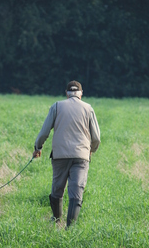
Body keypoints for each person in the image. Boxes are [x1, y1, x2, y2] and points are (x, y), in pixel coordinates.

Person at [33, 80, 100, 228]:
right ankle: (70, 228)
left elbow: (44, 132)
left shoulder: (56, 106)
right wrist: (91, 150)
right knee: (76, 190)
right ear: (81, 94)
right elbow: (96, 137)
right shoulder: (88, 109)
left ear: (67, 94)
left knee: (57, 188)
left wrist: (38, 147)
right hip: (81, 156)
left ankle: (56, 219)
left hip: (60, 155)